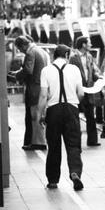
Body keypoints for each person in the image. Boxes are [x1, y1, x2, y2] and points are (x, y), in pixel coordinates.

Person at [38, 45, 84, 191]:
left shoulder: (46, 70)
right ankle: (75, 173)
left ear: (54, 55)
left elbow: (44, 95)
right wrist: (74, 102)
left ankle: (52, 180)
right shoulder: (74, 69)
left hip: (53, 110)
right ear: (67, 54)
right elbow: (81, 93)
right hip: (71, 109)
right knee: (73, 145)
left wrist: (41, 114)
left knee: (54, 146)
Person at [14, 36, 48, 151]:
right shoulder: (41, 51)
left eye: (19, 49)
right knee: (39, 114)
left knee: (35, 115)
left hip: (34, 88)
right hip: (42, 87)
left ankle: (38, 143)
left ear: (23, 45)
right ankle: (39, 141)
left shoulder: (31, 52)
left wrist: (16, 75)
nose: (20, 51)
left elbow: (28, 70)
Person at [69, 36, 102, 147]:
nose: (91, 45)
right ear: (83, 44)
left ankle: (92, 140)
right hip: (78, 91)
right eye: (89, 43)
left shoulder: (89, 56)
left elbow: (92, 72)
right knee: (75, 116)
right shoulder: (73, 58)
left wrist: (100, 78)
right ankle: (75, 140)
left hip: (89, 90)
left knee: (90, 116)